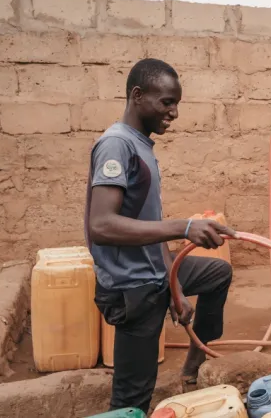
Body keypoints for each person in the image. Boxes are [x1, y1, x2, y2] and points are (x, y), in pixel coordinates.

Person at [83, 58, 235, 414]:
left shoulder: (141, 146)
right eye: (167, 102)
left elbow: (151, 226)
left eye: (176, 103)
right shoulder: (116, 146)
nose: (174, 112)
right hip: (132, 287)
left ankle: (195, 366)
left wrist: (176, 289)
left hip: (155, 275)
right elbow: (101, 226)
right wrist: (183, 226)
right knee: (132, 396)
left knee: (217, 274)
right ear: (137, 95)